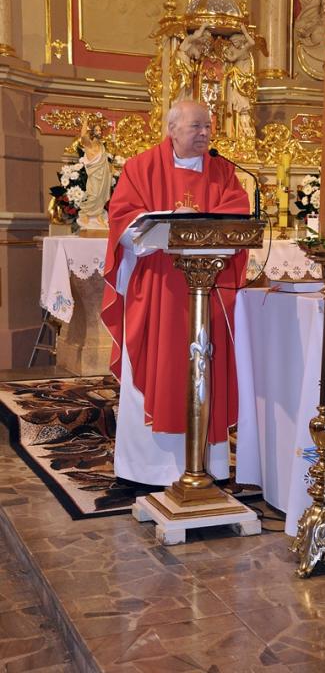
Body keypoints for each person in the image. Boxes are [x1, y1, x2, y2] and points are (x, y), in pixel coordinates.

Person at [101, 100, 250, 485]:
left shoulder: (222, 170)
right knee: (160, 366)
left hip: (207, 285)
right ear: (172, 129)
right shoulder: (142, 167)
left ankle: (206, 466)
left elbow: (238, 215)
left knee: (204, 363)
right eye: (196, 126)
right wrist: (168, 225)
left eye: (208, 127)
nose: (204, 134)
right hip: (158, 288)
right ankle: (147, 470)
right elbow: (122, 220)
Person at [77, 113, 113, 231]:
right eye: (96, 130)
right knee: (94, 195)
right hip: (94, 173)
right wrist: (85, 122)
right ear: (92, 131)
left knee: (101, 196)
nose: (99, 132)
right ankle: (85, 213)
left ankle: (98, 215)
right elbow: (83, 136)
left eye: (100, 130)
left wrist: (110, 171)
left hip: (103, 174)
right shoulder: (89, 143)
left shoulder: (101, 145)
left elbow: (105, 160)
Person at [224, 24, 257, 139]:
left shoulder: (244, 49)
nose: (234, 44)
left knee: (242, 99)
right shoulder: (237, 50)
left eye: (236, 42)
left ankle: (243, 128)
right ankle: (236, 127)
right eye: (233, 43)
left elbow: (252, 42)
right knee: (234, 97)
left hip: (242, 77)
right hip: (235, 76)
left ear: (241, 41)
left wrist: (244, 31)